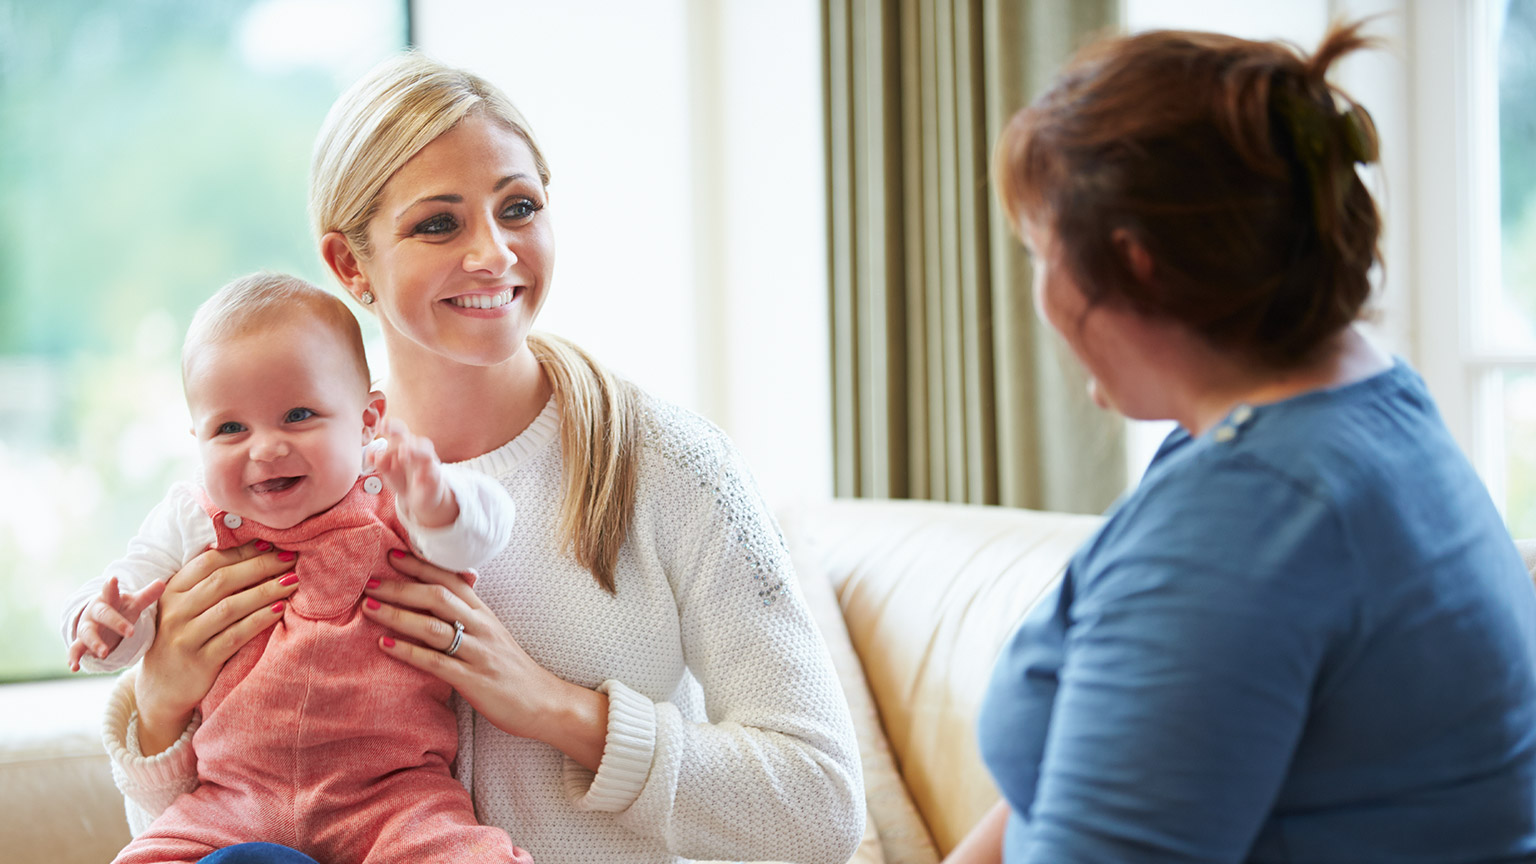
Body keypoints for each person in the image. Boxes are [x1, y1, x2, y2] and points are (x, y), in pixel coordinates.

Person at [96, 53, 865, 864]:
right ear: (349, 263)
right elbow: (199, 838)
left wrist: (553, 708)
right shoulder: (278, 477)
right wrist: (158, 706)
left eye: (519, 207)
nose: (494, 254)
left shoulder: (672, 466)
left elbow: (821, 809)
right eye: (439, 223)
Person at [947, 20, 1536, 864]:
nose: (1037, 294)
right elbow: (1077, 789)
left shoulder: (1251, 518)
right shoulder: (1362, 412)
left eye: (1040, 251)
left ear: (1135, 262)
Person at [63, 272, 527, 864]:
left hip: (390, 797)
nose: (264, 448)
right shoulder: (192, 518)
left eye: (298, 415)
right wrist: (101, 623)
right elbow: (131, 597)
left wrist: (438, 498)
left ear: (368, 422)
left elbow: (483, 535)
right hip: (231, 800)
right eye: (230, 428)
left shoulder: (396, 499)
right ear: (196, 438)